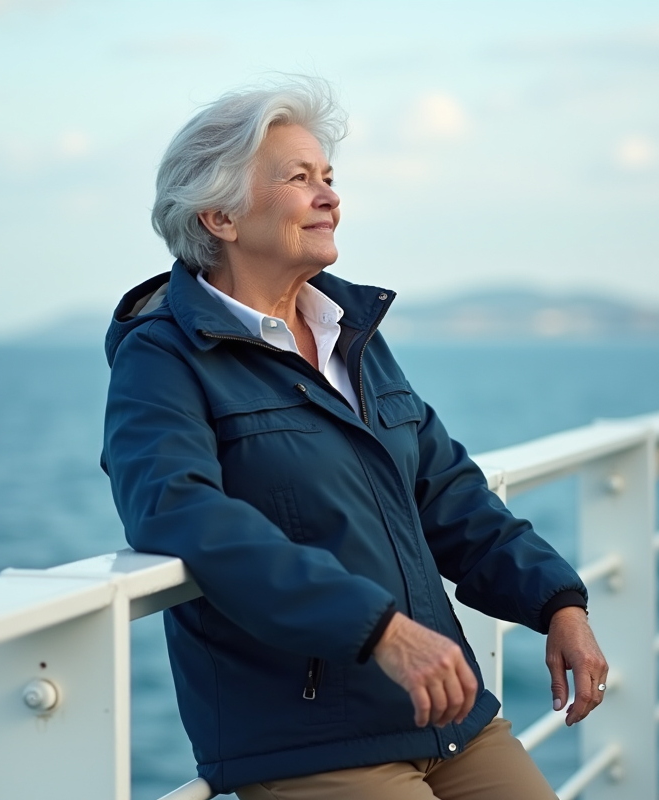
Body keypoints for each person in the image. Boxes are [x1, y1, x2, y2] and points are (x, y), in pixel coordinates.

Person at [101, 78, 607, 800]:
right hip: (308, 737)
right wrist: (379, 631)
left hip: (447, 714)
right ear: (219, 215)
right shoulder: (164, 354)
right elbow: (180, 513)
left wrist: (558, 602)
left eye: (330, 178)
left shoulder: (350, 334)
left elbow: (448, 492)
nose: (330, 196)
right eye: (299, 178)